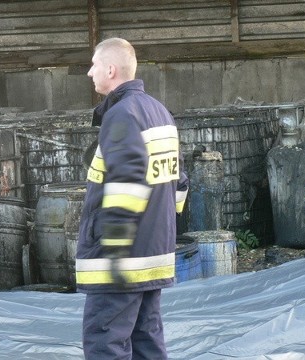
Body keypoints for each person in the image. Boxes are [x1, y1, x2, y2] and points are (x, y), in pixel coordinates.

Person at [76, 38, 189, 359]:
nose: (89, 72)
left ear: (110, 70)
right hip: (154, 253)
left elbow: (125, 182)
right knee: (146, 341)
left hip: (122, 262)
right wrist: (160, 226)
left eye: (94, 65)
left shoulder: (122, 114)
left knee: (105, 343)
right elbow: (179, 182)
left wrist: (113, 254)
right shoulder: (159, 111)